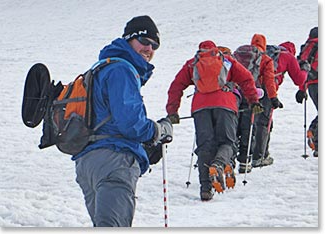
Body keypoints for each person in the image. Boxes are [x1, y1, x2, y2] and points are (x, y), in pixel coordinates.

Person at [72, 15, 173, 227]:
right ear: (128, 40)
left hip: (88, 161)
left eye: (154, 45)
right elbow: (130, 123)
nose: (149, 49)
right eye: (144, 42)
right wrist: (157, 131)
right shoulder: (122, 69)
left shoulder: (101, 67)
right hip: (114, 160)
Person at [166, 40, 263, 201]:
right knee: (228, 143)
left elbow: (176, 86)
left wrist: (172, 111)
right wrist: (253, 101)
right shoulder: (226, 61)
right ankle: (219, 164)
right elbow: (246, 78)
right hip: (226, 104)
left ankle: (205, 189)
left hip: (200, 107)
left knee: (205, 146)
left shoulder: (192, 64)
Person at [236, 34, 283, 173]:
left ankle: (232, 156)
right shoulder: (266, 59)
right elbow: (269, 80)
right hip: (255, 95)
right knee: (251, 127)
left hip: (237, 94)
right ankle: (248, 161)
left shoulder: (240, 54)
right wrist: (273, 98)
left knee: (235, 125)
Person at [263, 41, 308, 158]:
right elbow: (299, 79)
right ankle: (262, 154)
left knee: (250, 121)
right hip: (269, 91)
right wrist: (304, 70)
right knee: (265, 123)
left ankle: (248, 151)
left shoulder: (266, 53)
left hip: (252, 88)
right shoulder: (288, 56)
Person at [296, 27, 318, 157]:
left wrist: (302, 89)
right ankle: (314, 134)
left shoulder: (308, 48)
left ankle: (314, 134)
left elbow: (303, 70)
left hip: (311, 85)